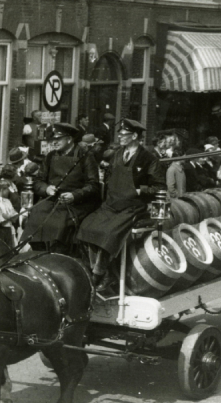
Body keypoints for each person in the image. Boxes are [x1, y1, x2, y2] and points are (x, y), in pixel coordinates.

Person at [77, 119, 165, 293]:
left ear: (134, 136)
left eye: (124, 134)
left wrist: (139, 190)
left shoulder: (149, 158)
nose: (120, 137)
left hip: (133, 206)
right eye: (120, 134)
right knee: (86, 227)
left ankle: (100, 274)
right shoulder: (117, 154)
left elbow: (160, 186)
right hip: (111, 204)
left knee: (109, 233)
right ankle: (98, 269)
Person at [21, 122, 101, 254]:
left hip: (78, 203)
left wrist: (74, 195)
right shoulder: (51, 156)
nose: (54, 142)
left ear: (69, 139)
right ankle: (38, 254)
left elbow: (93, 185)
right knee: (36, 214)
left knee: (59, 222)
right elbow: (39, 181)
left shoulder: (85, 156)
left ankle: (58, 256)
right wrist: (46, 189)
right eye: (53, 139)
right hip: (54, 199)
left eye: (58, 139)